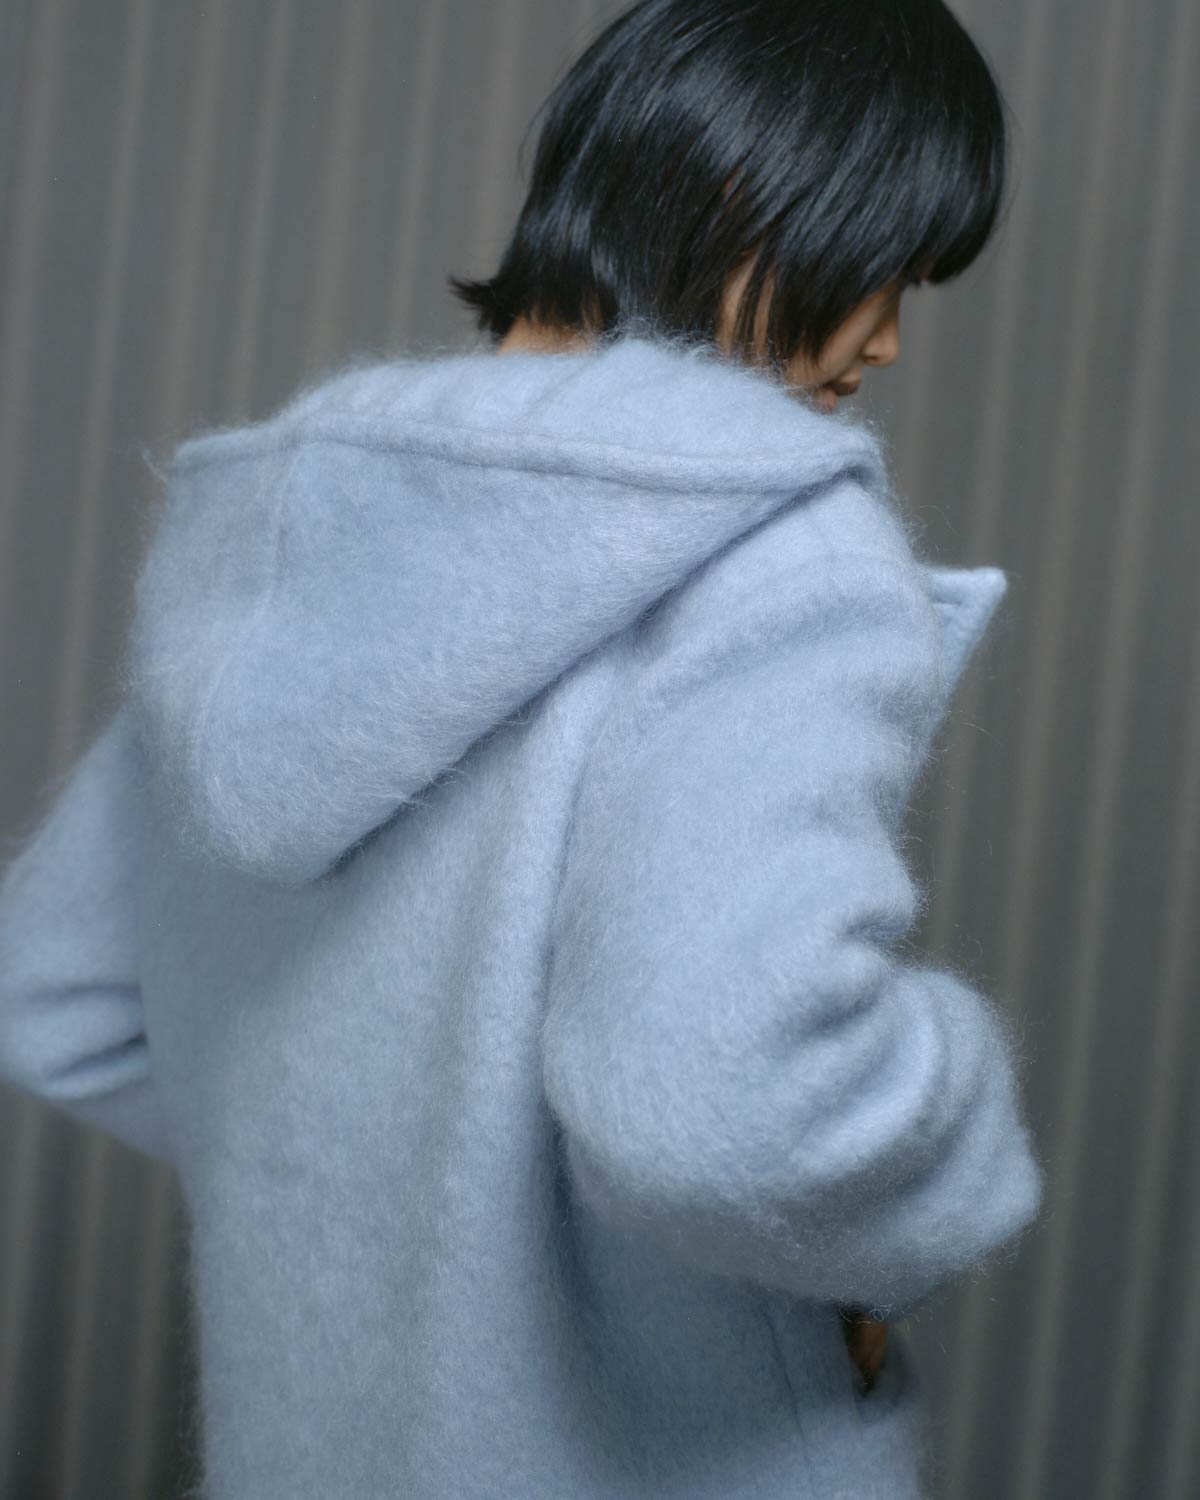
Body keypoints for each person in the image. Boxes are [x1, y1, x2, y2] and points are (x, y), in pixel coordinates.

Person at [0, 2, 1044, 1497]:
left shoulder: (297, 539)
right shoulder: (773, 549)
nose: (885, 336)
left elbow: (55, 994)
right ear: (746, 181)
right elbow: (719, 1103)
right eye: (885, 262)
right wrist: (961, 1145)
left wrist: (379, 1190)